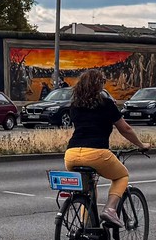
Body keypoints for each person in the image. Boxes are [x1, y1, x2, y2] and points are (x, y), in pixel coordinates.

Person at [63, 68, 148, 227]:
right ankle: (110, 209)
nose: (104, 84)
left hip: (71, 155)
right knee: (121, 176)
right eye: (103, 81)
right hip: (96, 153)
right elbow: (125, 129)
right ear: (98, 85)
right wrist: (141, 145)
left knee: (87, 191)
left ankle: (86, 228)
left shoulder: (74, 105)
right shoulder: (106, 104)